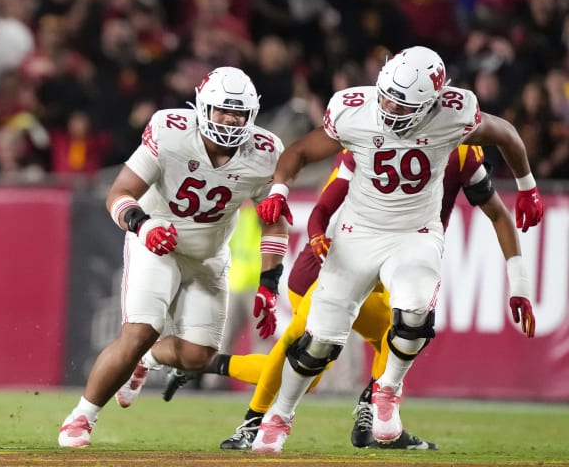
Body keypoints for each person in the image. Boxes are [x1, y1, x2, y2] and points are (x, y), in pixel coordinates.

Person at [250, 46, 544, 453]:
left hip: (415, 233)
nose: (389, 106)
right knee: (319, 343)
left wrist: (527, 188)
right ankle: (278, 419)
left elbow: (507, 134)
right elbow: (300, 152)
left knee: (415, 314)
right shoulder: (355, 111)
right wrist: (280, 188)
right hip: (356, 233)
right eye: (386, 94)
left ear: (433, 102)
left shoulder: (454, 115)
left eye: (402, 102)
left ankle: (387, 392)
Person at [166, 145, 532, 450]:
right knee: (305, 346)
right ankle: (252, 423)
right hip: (336, 261)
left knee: (401, 333)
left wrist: (519, 278)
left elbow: (497, 192)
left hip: (393, 262)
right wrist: (313, 236)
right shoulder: (367, 132)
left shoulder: (461, 150)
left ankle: (371, 418)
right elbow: (323, 204)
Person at [57, 67, 290, 448]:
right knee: (140, 329)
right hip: (157, 241)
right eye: (221, 110)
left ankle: (147, 360)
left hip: (209, 256)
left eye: (239, 113)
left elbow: (274, 222)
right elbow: (119, 192)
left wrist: (269, 283)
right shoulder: (170, 131)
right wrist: (144, 226)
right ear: (202, 108)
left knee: (198, 357)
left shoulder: (265, 153)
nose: (231, 120)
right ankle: (82, 416)